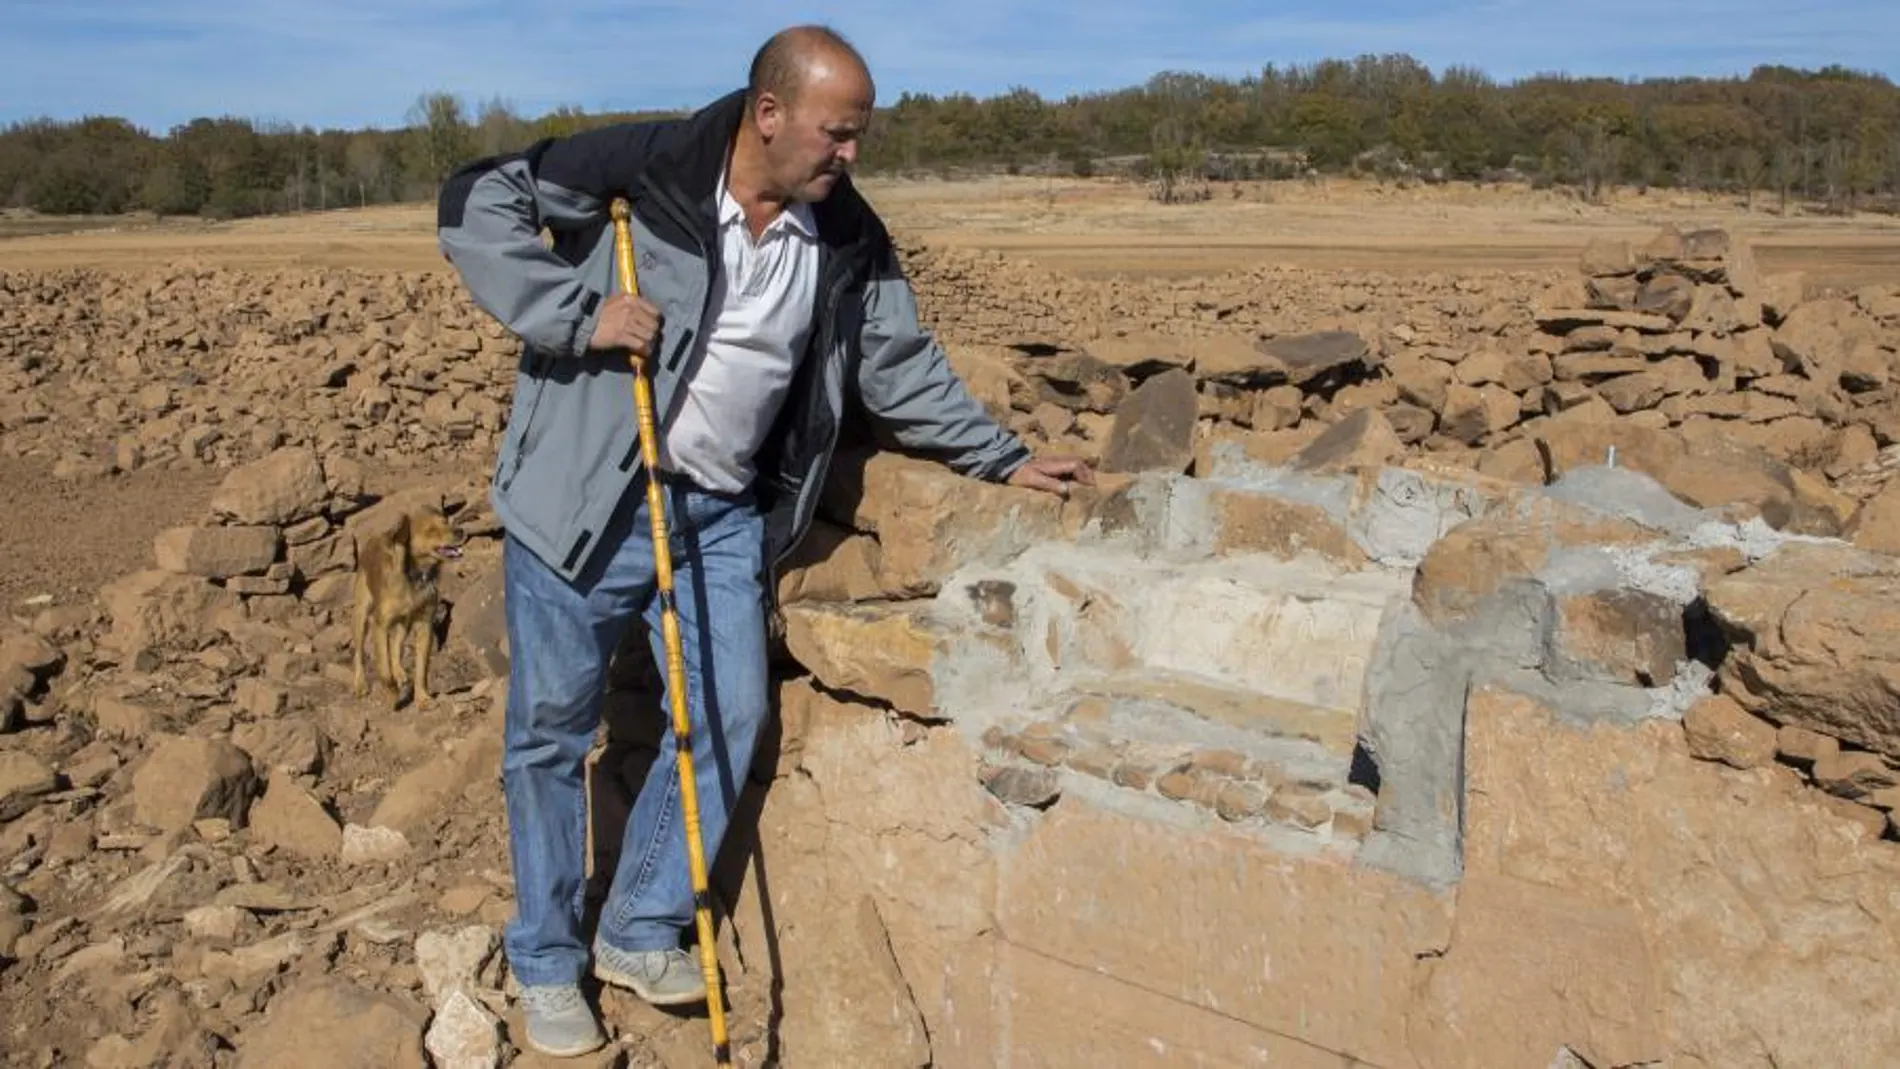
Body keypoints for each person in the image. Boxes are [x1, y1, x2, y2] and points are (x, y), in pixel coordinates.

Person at [436, 24, 1092, 1057]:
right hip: (584, 506)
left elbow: (898, 362)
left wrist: (1002, 457)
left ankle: (640, 923)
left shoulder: (847, 234)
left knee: (729, 713)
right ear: (770, 113)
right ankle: (546, 959)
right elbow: (473, 203)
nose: (851, 156)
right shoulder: (642, 169)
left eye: (860, 136)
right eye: (837, 134)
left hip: (718, 512)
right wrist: (576, 313)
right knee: (547, 742)